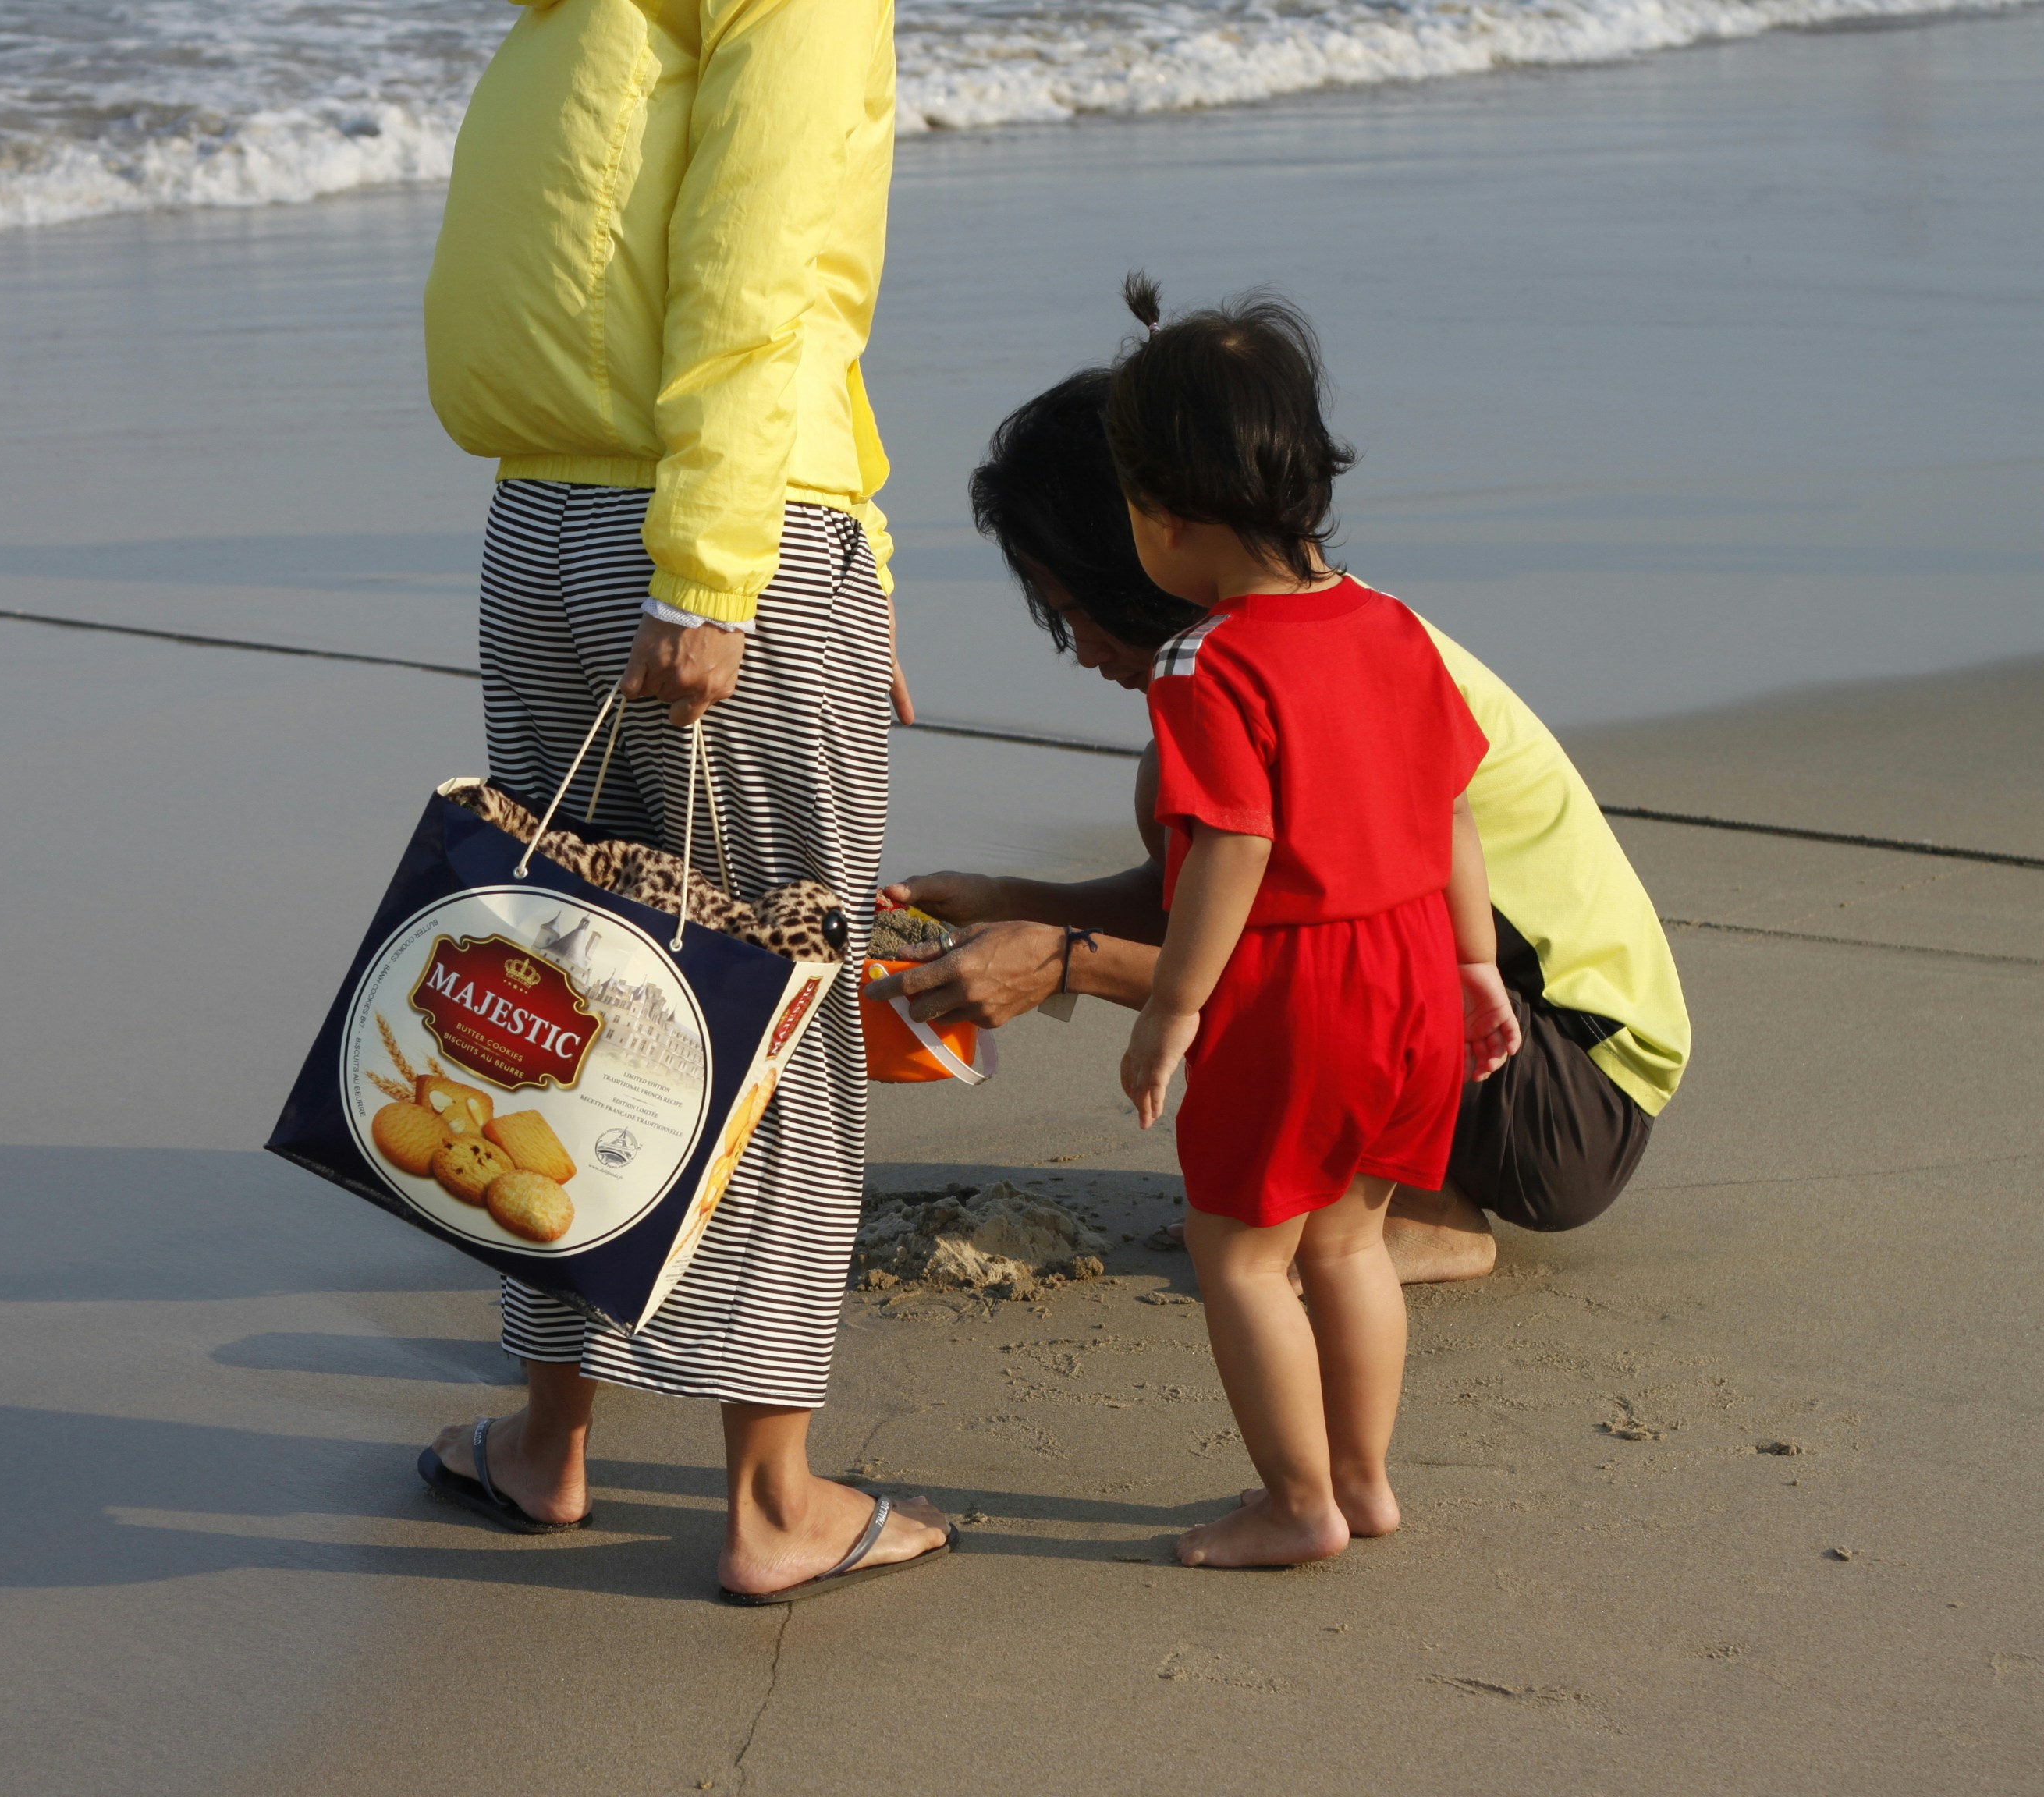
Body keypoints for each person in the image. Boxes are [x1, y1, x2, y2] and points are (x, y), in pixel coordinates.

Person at [410, 0, 950, 1602]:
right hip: (707, 539)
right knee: (770, 1004)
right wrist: (722, 565)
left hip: (542, 528)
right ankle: (773, 1502)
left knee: (555, 986)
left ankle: (548, 1441)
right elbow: (759, 255)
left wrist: (855, 554)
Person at [875, 369, 1691, 1283]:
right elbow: (1214, 905)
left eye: (1076, 615)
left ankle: (1426, 1214)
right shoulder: (1309, 632)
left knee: (1238, 884)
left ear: (1149, 542)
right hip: (1492, 1032)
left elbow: (1318, 970)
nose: (1085, 653)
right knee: (1184, 816)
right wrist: (1008, 902)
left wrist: (1067, 963)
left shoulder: (1321, 682)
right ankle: (1370, 1187)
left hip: (1568, 1089)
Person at [1091, 276, 1517, 1567]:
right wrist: (1476, 962)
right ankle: (1365, 1481)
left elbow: (1235, 840)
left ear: (1164, 516)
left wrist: (1172, 1008)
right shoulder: (1391, 624)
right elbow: (1451, 806)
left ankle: (1296, 1501)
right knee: (1349, 1239)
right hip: (1414, 967)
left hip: (1299, 987)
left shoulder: (1204, 658)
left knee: (1238, 1254)